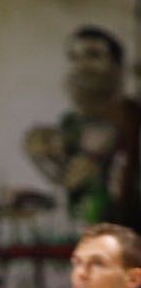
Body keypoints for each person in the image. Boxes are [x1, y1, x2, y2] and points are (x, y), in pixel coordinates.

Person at [24, 26, 141, 230]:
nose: (82, 67)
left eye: (93, 55)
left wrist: (99, 173)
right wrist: (42, 157)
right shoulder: (71, 125)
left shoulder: (133, 120)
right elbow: (66, 182)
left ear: (118, 66)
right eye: (74, 58)